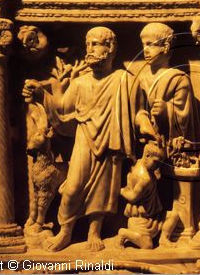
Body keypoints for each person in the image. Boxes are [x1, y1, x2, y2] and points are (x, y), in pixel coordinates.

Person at [22, 26, 135, 252]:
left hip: (111, 142)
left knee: (104, 189)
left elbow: (137, 112)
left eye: (95, 44)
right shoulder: (80, 83)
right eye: (87, 44)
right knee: (72, 186)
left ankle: (95, 231)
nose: (89, 49)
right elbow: (62, 110)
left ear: (110, 48)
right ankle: (66, 231)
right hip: (85, 138)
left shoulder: (124, 80)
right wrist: (41, 94)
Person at [134, 23, 200, 243]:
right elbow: (138, 109)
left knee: (178, 188)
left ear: (166, 47)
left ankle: (182, 228)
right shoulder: (143, 80)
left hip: (174, 143)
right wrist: (142, 118)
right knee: (148, 182)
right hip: (152, 142)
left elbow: (185, 113)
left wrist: (167, 110)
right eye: (143, 45)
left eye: (151, 45)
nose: (146, 50)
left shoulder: (178, 78)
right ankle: (148, 225)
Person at [117, 141, 178, 249]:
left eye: (159, 163)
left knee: (173, 215)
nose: (157, 166)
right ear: (147, 156)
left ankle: (163, 239)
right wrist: (120, 190)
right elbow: (132, 197)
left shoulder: (138, 164)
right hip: (140, 220)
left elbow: (156, 174)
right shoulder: (145, 178)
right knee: (147, 245)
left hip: (153, 216)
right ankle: (123, 233)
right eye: (156, 162)